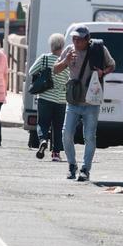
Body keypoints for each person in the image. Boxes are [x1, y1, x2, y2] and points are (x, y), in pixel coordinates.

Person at [54, 26, 114, 181]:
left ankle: (85, 169)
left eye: (79, 39)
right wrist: (66, 61)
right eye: (74, 38)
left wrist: (103, 72)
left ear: (88, 39)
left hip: (91, 102)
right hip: (73, 101)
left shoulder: (99, 49)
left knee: (89, 137)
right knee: (66, 134)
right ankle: (72, 165)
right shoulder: (69, 50)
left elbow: (112, 65)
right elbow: (55, 69)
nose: (76, 42)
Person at [29, 32, 70, 162]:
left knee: (42, 123)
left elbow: (31, 71)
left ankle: (43, 140)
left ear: (51, 45)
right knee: (58, 126)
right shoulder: (66, 62)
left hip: (45, 97)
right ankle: (56, 154)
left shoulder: (44, 58)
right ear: (62, 46)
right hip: (61, 99)